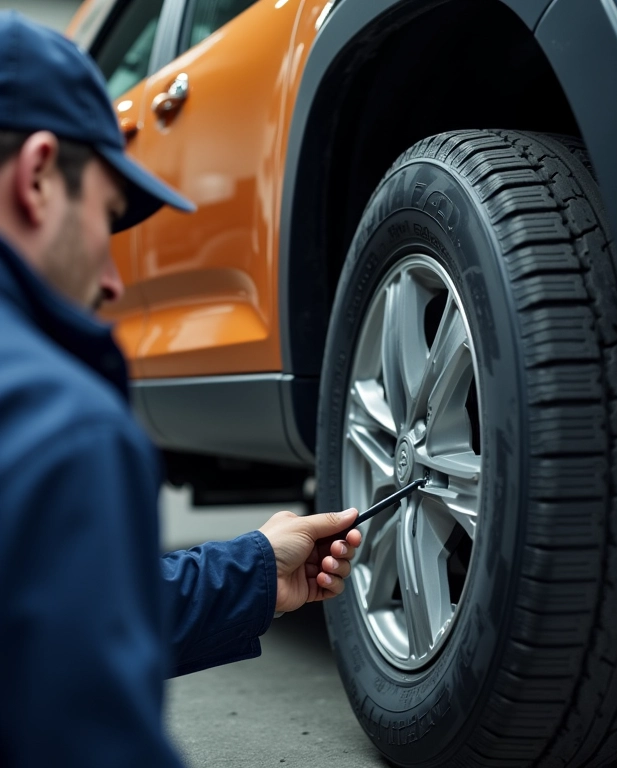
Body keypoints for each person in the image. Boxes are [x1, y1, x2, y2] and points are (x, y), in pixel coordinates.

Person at [0, 11, 361, 767]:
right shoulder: (58, 431)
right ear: (36, 177)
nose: (112, 281)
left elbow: (55, 606)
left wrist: (256, 570)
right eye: (106, 220)